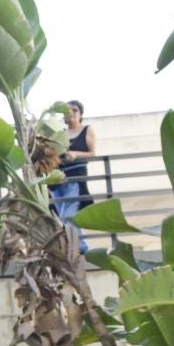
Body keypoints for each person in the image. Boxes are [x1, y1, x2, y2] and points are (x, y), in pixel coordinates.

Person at [53, 100, 99, 249]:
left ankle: (82, 248)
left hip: (75, 179)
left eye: (74, 110)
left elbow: (92, 153)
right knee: (60, 217)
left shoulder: (87, 130)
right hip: (58, 180)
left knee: (68, 216)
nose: (71, 113)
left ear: (80, 114)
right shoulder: (60, 134)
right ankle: (76, 247)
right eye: (67, 111)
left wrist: (76, 154)